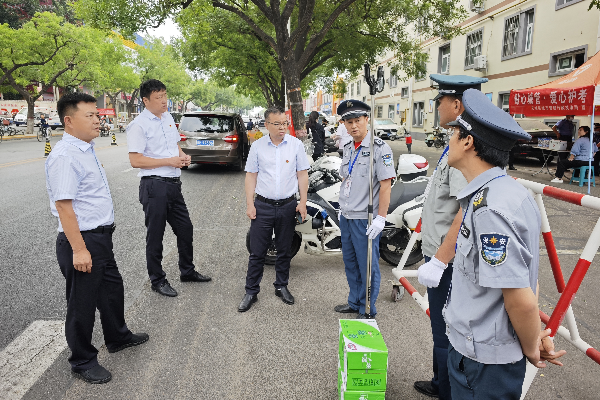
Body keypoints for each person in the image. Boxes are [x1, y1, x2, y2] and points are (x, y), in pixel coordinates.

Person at [444, 89, 565, 399]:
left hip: (482, 361)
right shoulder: (509, 192)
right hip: (483, 353)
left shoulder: (490, 208)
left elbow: (520, 298)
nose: (449, 140)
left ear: (467, 142)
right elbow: (528, 276)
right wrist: (533, 334)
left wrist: (531, 347)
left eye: (454, 132)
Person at [46, 92, 148, 384]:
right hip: (82, 240)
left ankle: (117, 336)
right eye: (89, 116)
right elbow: (64, 207)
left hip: (100, 239)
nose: (97, 120)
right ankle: (82, 360)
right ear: (69, 121)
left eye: (97, 115)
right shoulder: (65, 156)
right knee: (83, 304)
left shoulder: (85, 149)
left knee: (112, 290)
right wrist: (79, 250)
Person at [414, 74, 486, 400]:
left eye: (439, 101)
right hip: (440, 251)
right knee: (441, 329)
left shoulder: (464, 145)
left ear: (456, 105)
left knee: (445, 332)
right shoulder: (454, 139)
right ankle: (440, 382)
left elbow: (464, 209)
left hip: (448, 258)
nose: (436, 106)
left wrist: (441, 260)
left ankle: (447, 390)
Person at [128, 79, 211, 298]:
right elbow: (135, 160)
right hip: (154, 186)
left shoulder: (167, 118)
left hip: (174, 185)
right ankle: (157, 280)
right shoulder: (138, 125)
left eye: (165, 95)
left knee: (185, 229)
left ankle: (187, 271)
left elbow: (174, 146)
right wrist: (169, 161)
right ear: (146, 101)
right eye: (158, 97)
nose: (164, 101)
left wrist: (183, 156)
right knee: (155, 236)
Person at [238, 106, 310, 312]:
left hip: (288, 205)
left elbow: (302, 174)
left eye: (285, 123)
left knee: (284, 250)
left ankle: (281, 286)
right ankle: (251, 291)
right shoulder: (257, 147)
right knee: (257, 252)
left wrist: (302, 202)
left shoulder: (295, 145)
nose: (282, 127)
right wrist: (250, 204)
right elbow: (251, 176)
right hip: (263, 206)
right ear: (267, 124)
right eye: (277, 124)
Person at [333, 100, 396, 319]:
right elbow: (347, 178)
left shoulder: (379, 148)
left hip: (365, 218)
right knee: (350, 263)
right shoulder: (348, 147)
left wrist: (381, 218)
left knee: (367, 266)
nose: (353, 126)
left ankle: (367, 308)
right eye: (348, 122)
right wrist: (342, 205)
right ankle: (354, 301)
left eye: (357, 120)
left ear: (366, 120)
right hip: (347, 216)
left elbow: (386, 186)